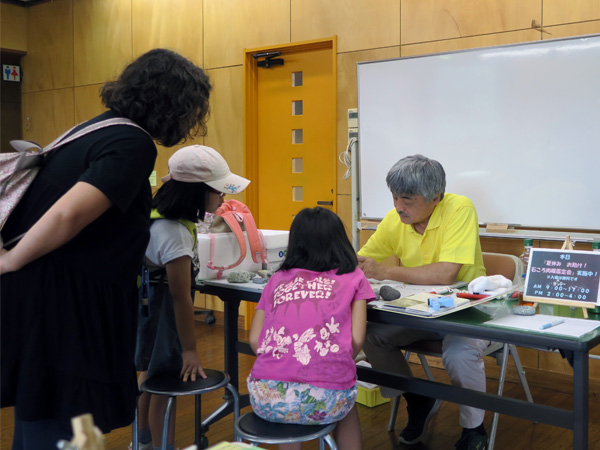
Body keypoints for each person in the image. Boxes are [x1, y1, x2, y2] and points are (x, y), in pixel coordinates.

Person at [0, 48, 212, 450]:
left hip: (45, 300)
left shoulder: (95, 129)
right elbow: (68, 215)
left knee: (40, 411)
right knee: (71, 421)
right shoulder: (134, 143)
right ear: (173, 104)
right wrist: (11, 259)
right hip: (68, 308)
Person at [357, 155, 488, 450]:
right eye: (394, 197)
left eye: (407, 199)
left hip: (467, 311)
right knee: (371, 335)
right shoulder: (396, 220)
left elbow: (445, 273)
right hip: (420, 312)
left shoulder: (459, 208)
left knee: (458, 353)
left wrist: (385, 271)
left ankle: (473, 428)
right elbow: (362, 260)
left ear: (435, 198)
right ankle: (417, 399)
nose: (398, 207)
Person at [134, 145, 250, 450]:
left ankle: (142, 440)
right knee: (164, 387)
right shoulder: (173, 232)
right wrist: (189, 350)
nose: (223, 198)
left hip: (149, 313)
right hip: (162, 319)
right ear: (196, 192)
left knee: (150, 377)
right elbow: (181, 297)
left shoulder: (161, 216)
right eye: (218, 192)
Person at [246, 207, 375, 450]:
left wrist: (287, 365)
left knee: (290, 415)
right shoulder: (354, 276)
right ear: (339, 241)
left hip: (266, 396)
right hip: (328, 399)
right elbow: (356, 339)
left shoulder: (277, 279)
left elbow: (255, 340)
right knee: (345, 402)